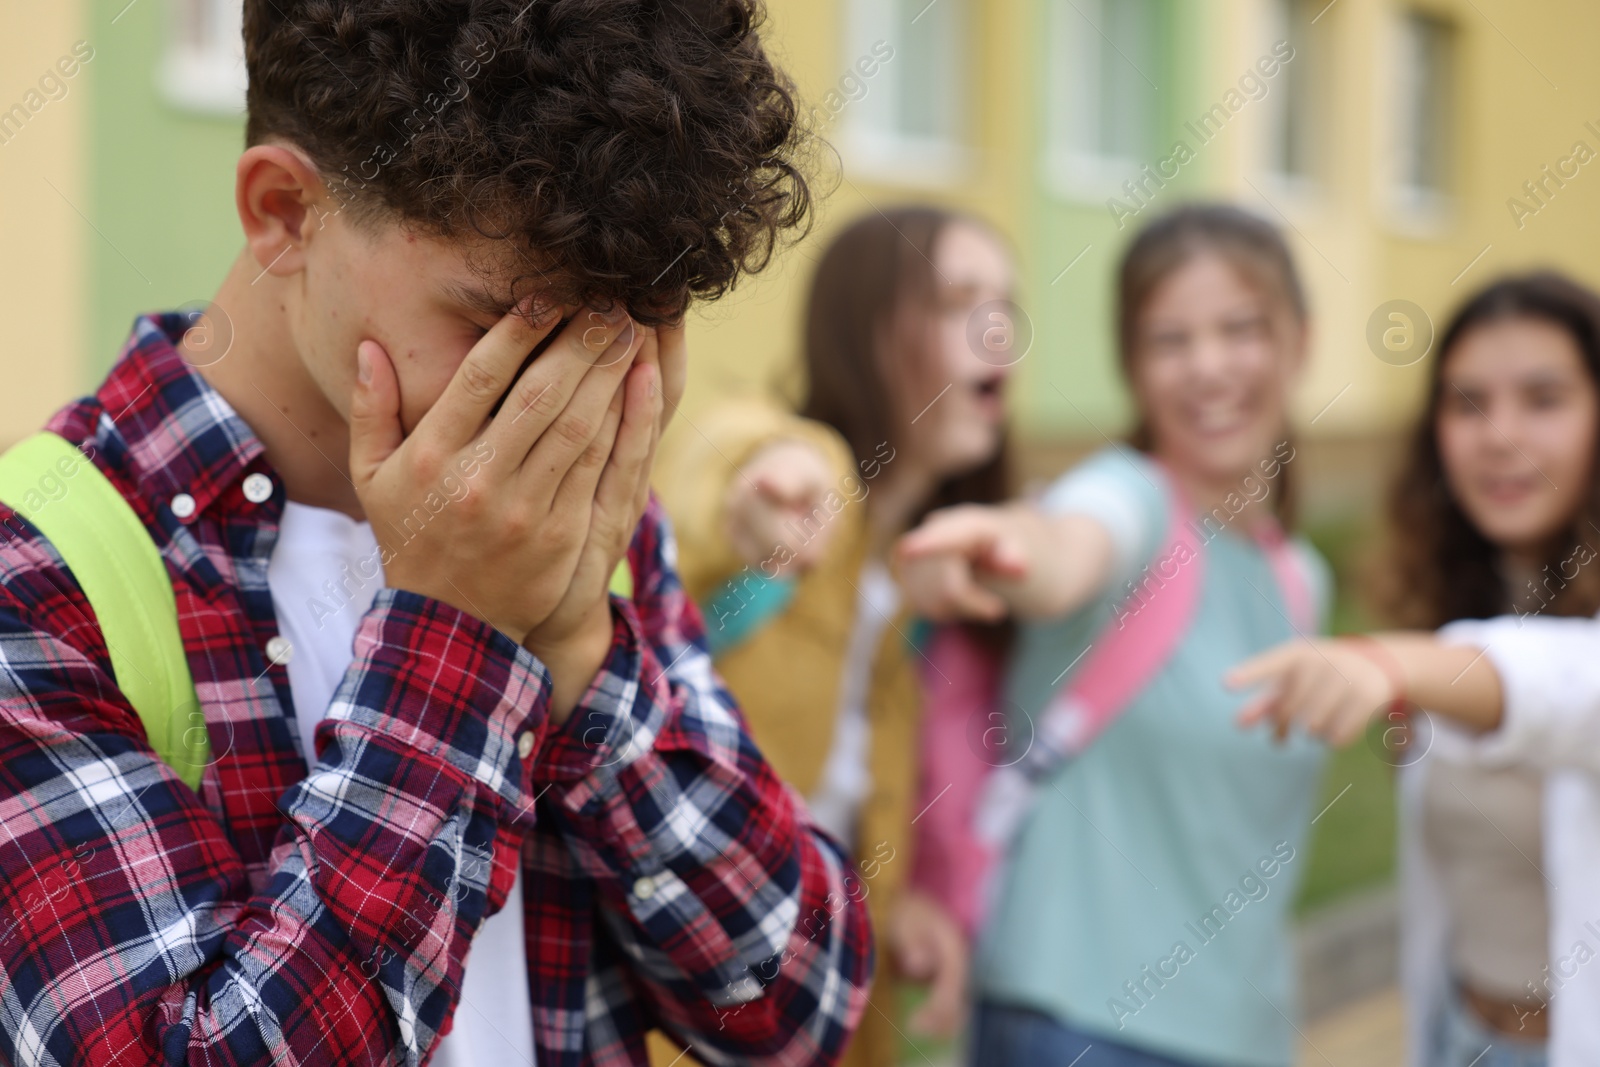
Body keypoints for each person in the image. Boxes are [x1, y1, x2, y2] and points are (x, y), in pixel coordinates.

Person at [0, 3, 874, 1065]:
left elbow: (797, 1005)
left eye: (626, 327)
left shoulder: (572, 493)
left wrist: (580, 658)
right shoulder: (39, 575)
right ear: (284, 213)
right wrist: (453, 636)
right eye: (499, 324)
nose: (565, 397)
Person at [897, 203, 1331, 1067]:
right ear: (1133, 364)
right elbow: (1066, 545)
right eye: (1169, 339)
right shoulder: (1127, 499)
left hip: (1245, 1035)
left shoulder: (1298, 578)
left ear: (1299, 341)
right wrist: (1007, 547)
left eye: (1240, 328)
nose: (1207, 367)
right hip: (1074, 1025)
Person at [652, 206, 1015, 1064]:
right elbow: (727, 457)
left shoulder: (925, 575)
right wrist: (770, 483)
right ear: (865, 328)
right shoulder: (814, 483)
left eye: (1005, 301)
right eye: (959, 298)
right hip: (679, 1019)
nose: (1000, 327)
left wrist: (905, 907)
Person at [1229, 273, 1600, 1067]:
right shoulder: (1455, 603)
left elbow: (1569, 689)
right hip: (1460, 1034)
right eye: (1468, 404)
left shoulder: (1473, 654)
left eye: (1543, 399)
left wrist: (1390, 661)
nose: (1499, 434)